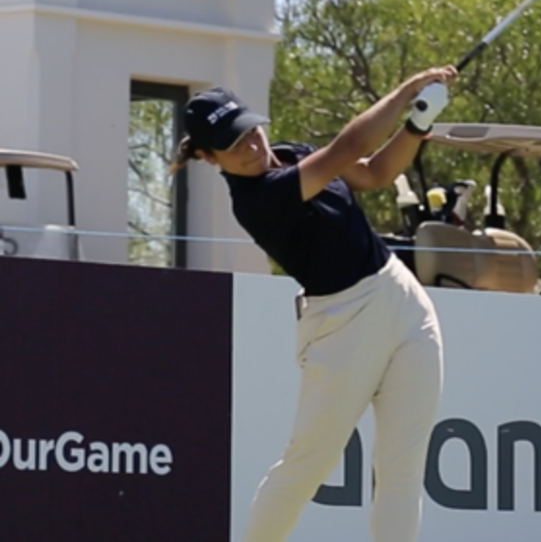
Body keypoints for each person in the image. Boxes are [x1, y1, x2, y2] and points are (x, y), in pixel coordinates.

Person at [168, 65, 459, 542]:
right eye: (233, 144)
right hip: (342, 324)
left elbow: (375, 172)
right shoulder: (257, 199)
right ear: (208, 156)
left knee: (402, 474)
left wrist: (418, 124)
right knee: (304, 469)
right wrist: (407, 89)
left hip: (402, 298)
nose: (251, 145)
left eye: (249, 130)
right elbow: (349, 148)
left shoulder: (291, 154)